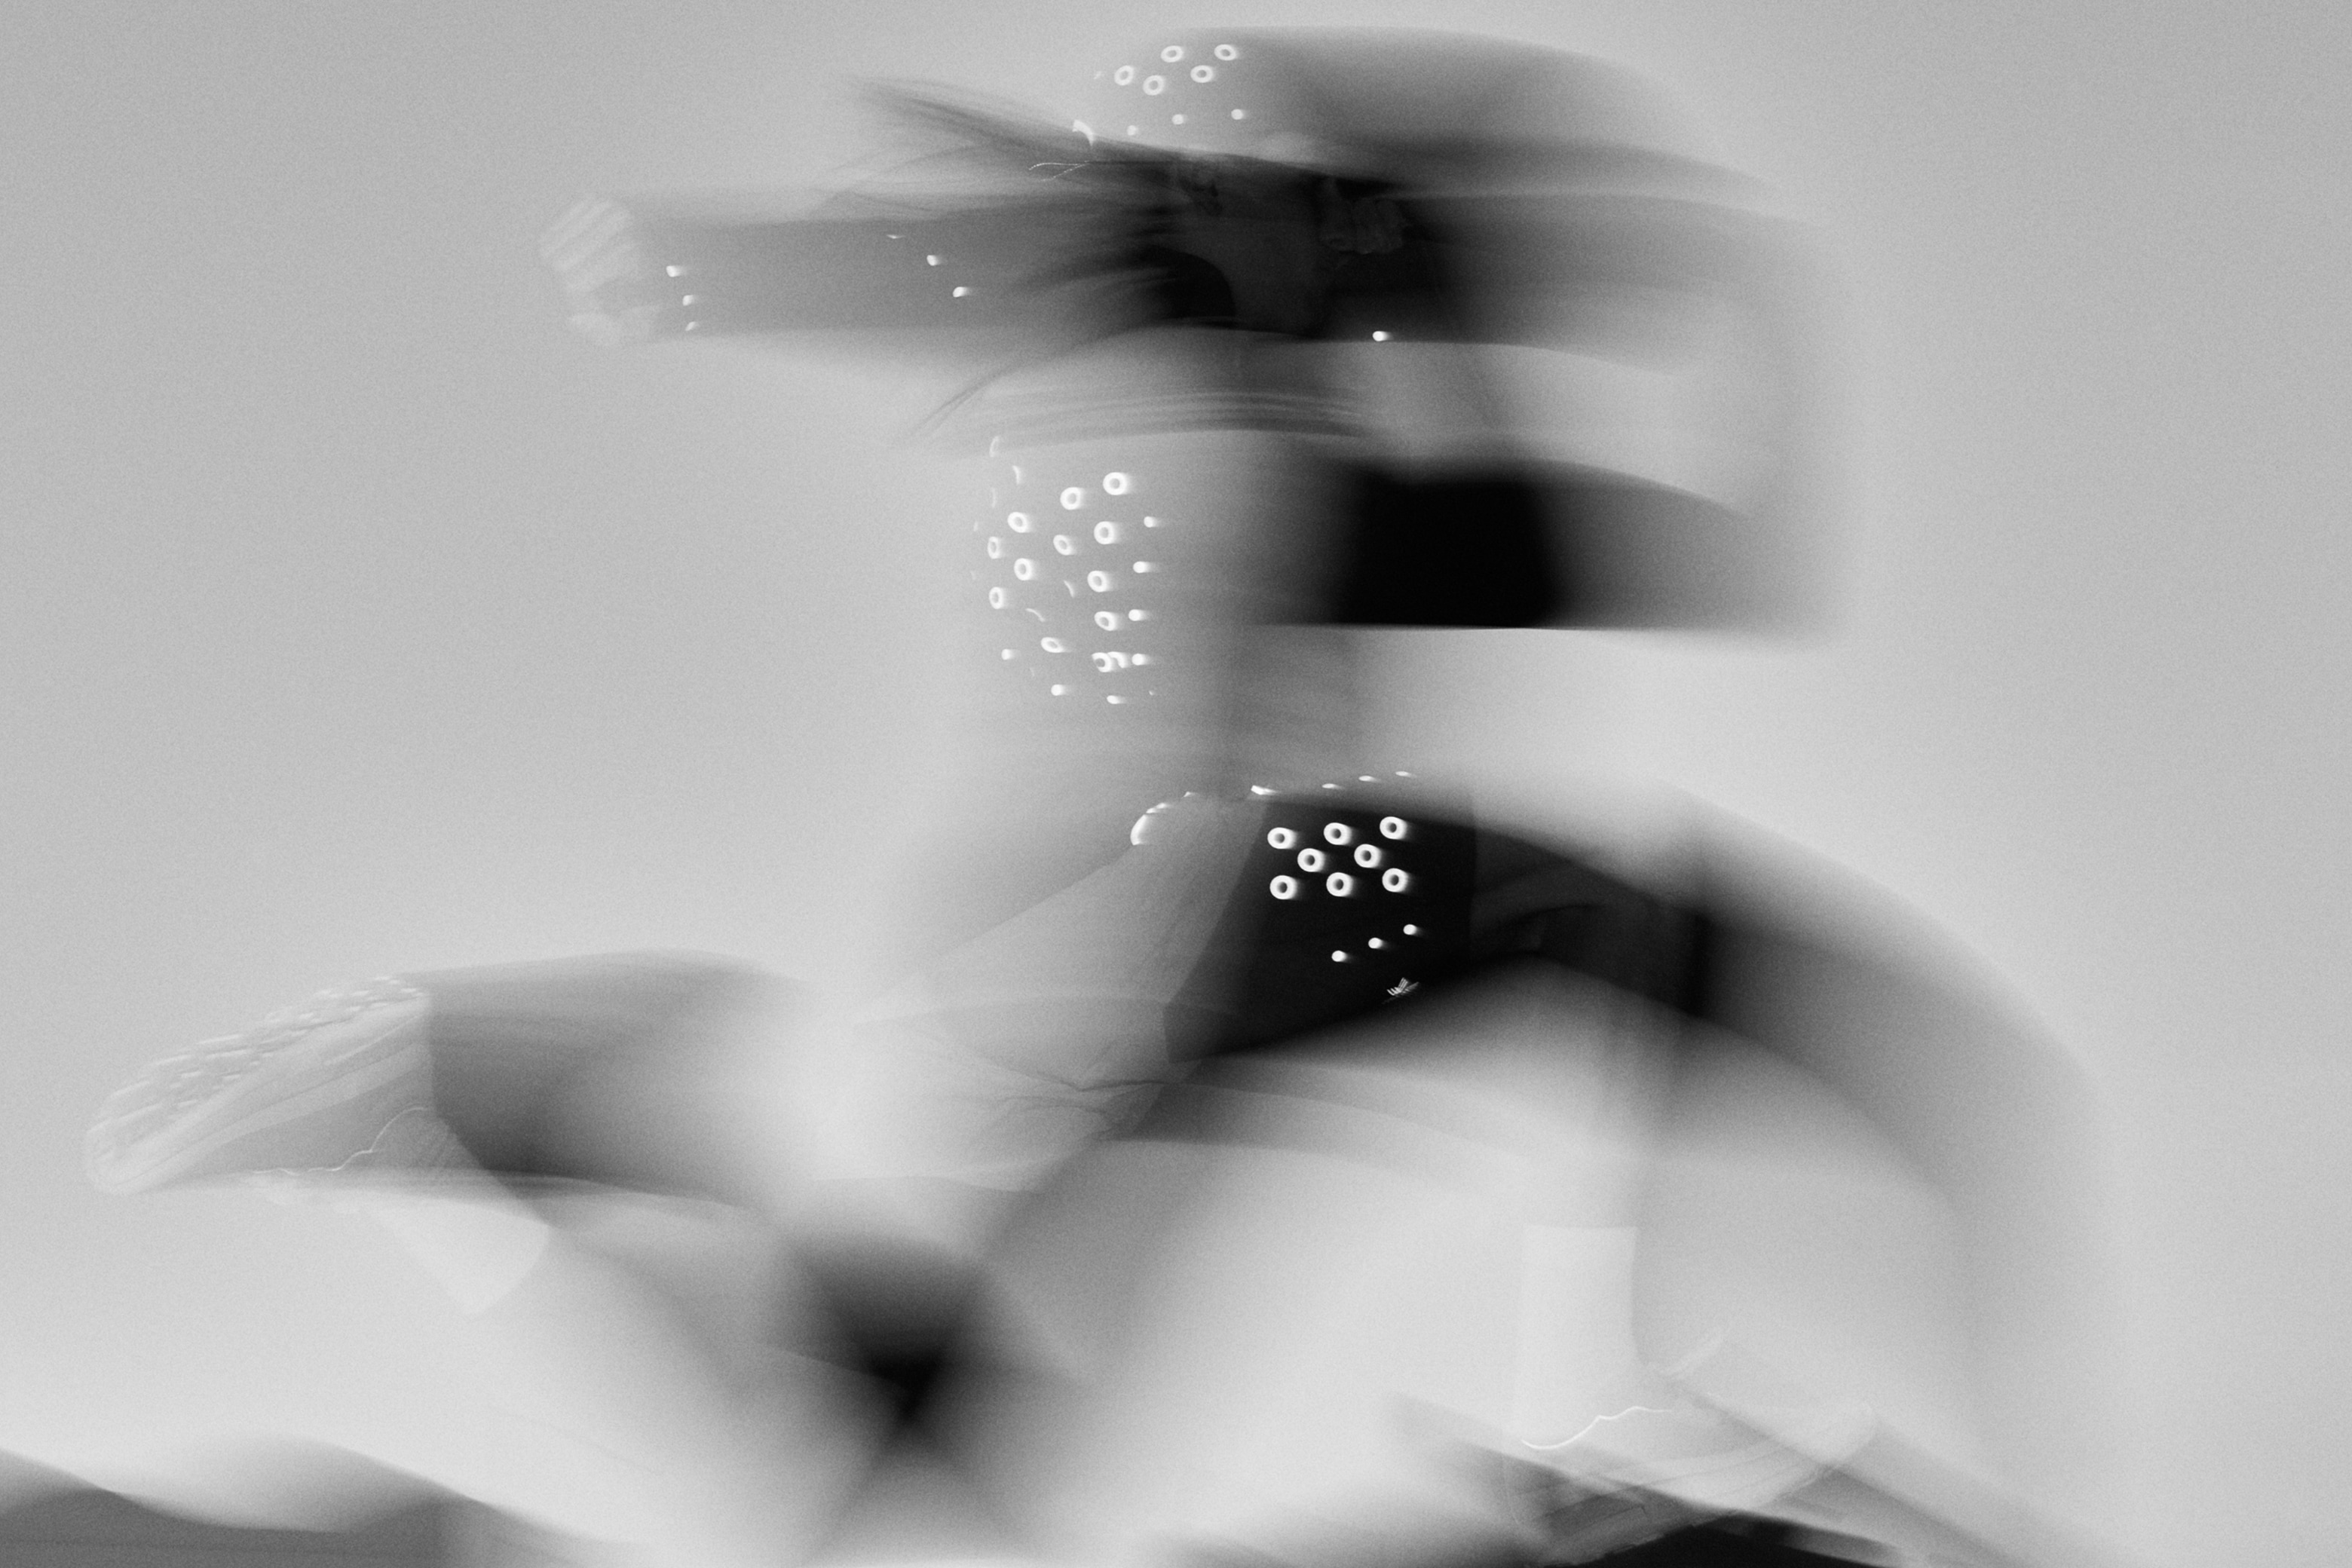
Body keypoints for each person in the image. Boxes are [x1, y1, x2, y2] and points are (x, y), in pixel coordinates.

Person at [87, 28, 2113, 1568]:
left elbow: (992, 264)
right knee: (1641, 943)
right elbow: (1739, 542)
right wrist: (1721, 280)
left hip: (1045, 973)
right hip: (1261, 889)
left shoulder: (1126, 413)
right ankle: (1627, 1417)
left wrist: (777, 270)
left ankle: (531, 1148)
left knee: (919, 1460)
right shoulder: (1301, 452)